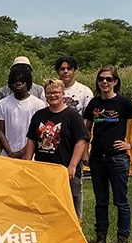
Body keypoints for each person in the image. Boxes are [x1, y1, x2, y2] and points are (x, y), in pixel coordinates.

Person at [83, 65, 132, 243]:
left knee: (121, 201)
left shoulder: (123, 103)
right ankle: (101, 238)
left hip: (117, 159)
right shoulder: (94, 104)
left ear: (115, 82)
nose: (104, 82)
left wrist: (131, 144)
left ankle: (123, 239)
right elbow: (85, 129)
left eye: (108, 79)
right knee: (101, 201)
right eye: (101, 79)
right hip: (97, 158)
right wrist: (84, 152)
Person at [24, 78, 89, 219]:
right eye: (49, 93)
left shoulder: (72, 116)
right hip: (44, 169)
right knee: (46, 207)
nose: (52, 96)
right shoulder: (39, 115)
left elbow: (81, 140)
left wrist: (72, 165)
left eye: (56, 92)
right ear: (45, 95)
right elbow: (32, 139)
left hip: (66, 169)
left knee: (71, 205)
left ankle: (75, 230)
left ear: (63, 94)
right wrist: (27, 163)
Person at [0, 63, 46, 158]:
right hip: (7, 154)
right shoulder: (3, 103)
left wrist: (22, 152)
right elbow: (0, 130)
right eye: (15, 81)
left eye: (22, 81)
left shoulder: (38, 104)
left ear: (28, 83)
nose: (18, 83)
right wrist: (9, 152)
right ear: (10, 83)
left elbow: (38, 132)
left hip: (31, 155)